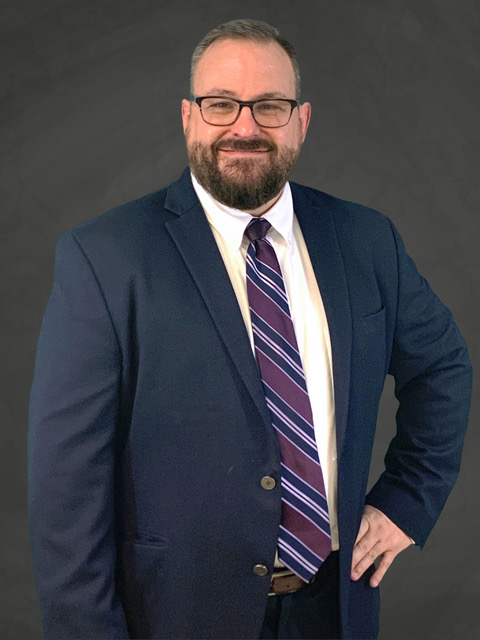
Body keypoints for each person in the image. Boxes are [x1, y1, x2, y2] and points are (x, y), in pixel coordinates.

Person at [28, 18, 472, 640]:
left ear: (301, 121)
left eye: (269, 106)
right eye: (221, 104)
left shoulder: (367, 239)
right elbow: (65, 489)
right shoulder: (105, 258)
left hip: (335, 607)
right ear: (189, 117)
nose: (245, 127)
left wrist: (407, 501)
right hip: (174, 614)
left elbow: (443, 368)